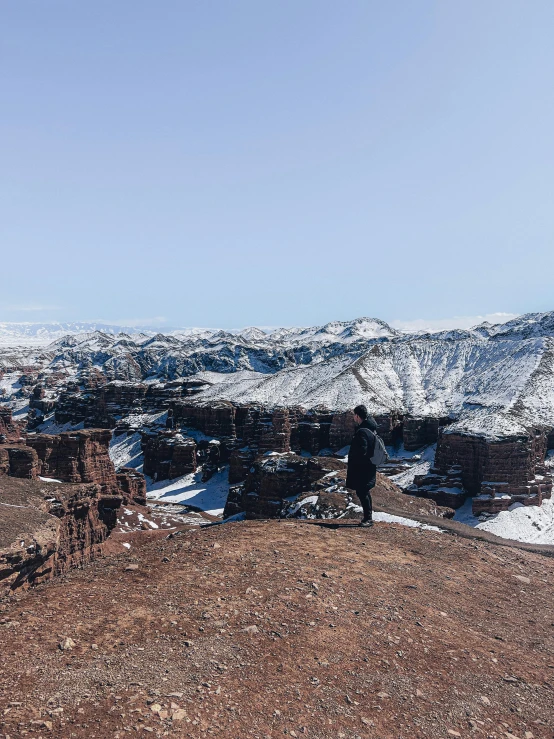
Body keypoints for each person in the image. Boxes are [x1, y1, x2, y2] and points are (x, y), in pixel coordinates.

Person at [346, 404, 378, 528]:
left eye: (354, 415)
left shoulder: (362, 432)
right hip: (369, 466)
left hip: (363, 468)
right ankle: (368, 518)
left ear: (358, 416)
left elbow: (363, 450)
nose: (353, 417)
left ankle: (368, 519)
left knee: (362, 492)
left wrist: (356, 461)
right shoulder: (370, 428)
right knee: (364, 491)